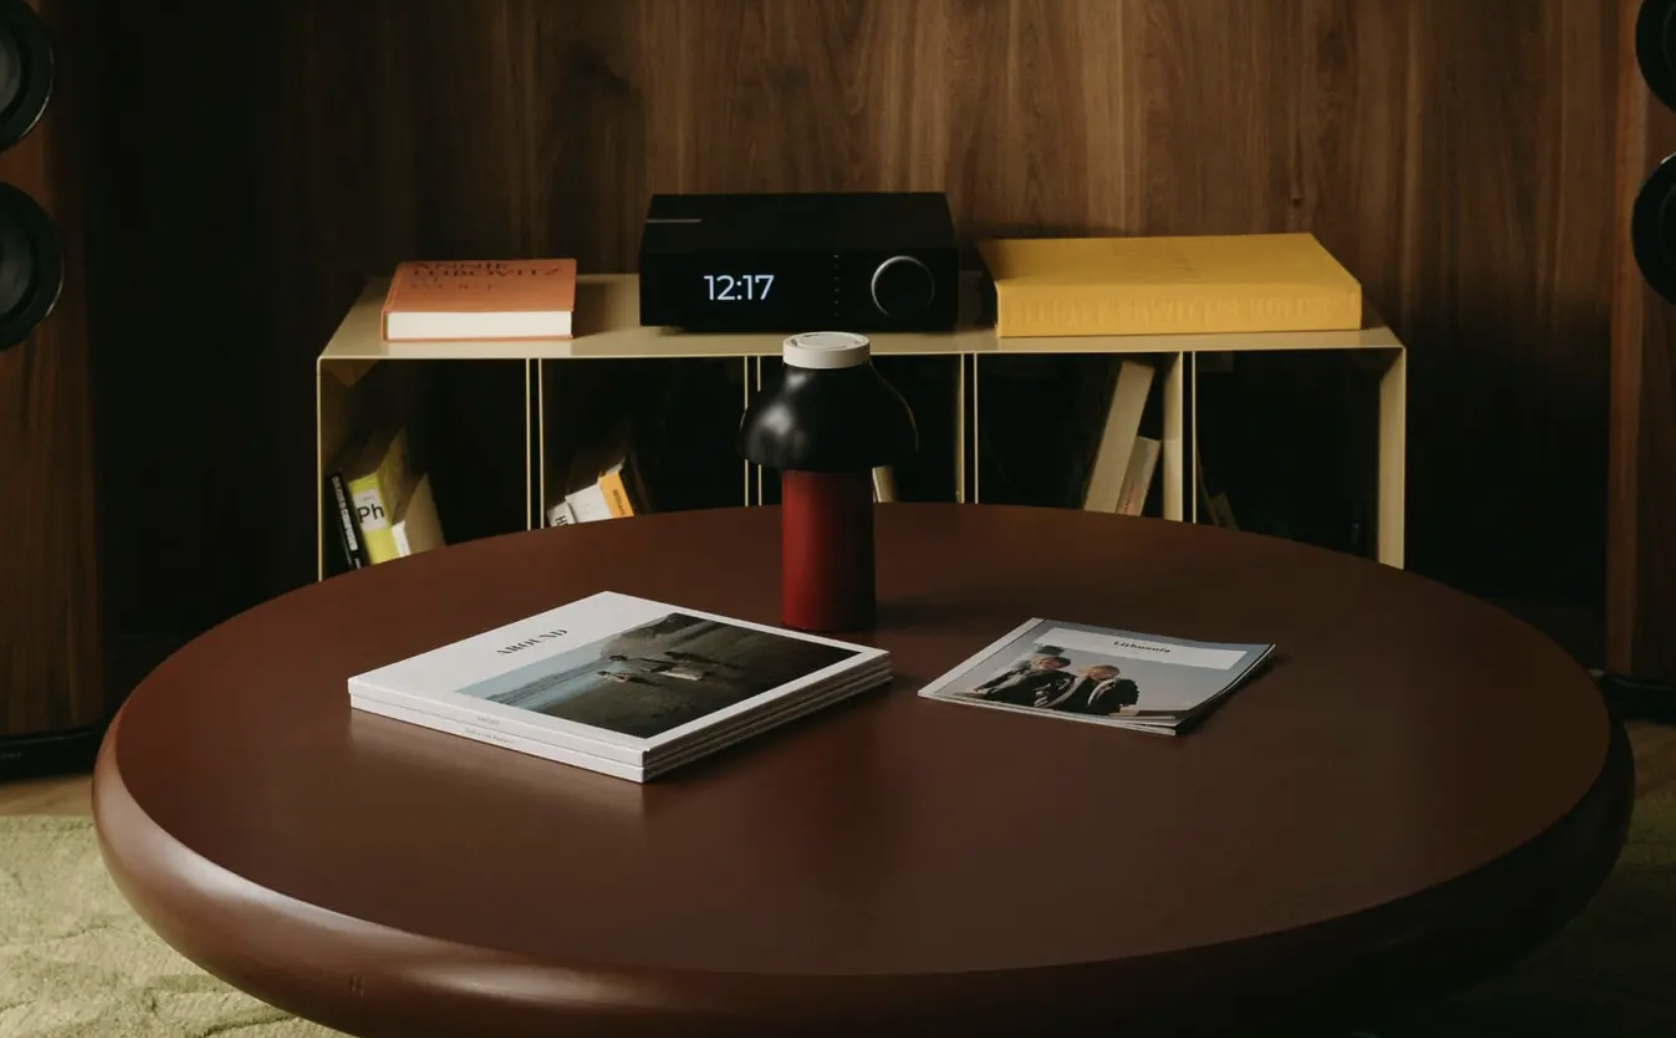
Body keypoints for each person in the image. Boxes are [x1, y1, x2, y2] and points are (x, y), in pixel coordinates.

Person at [1036, 663, 1140, 716]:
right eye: (1098, 671)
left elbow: (1125, 701)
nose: (1105, 674)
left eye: (1109, 672)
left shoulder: (1117, 684)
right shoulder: (1069, 681)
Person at [970, 654, 1072, 707]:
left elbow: (1056, 689)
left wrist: (1041, 694)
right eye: (1049, 661)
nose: (1050, 663)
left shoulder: (1059, 676)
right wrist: (982, 686)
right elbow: (999, 680)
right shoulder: (1021, 670)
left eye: (1055, 663)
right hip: (994, 695)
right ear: (1042, 661)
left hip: (1017, 701)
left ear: (1059, 666)